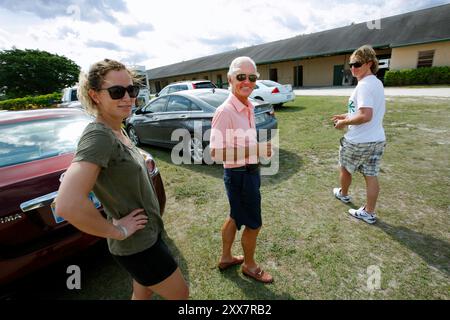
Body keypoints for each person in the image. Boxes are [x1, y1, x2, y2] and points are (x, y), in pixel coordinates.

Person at [55, 59, 189, 300]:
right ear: (95, 96)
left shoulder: (119, 129)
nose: (127, 97)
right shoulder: (98, 135)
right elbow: (67, 203)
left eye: (132, 90)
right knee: (181, 295)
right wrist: (117, 230)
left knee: (142, 294)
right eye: (117, 92)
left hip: (149, 234)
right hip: (138, 247)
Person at [210, 56, 273, 283]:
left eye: (252, 77)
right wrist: (255, 149)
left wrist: (257, 152)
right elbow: (215, 153)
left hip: (248, 172)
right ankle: (250, 265)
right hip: (240, 175)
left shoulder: (248, 105)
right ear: (230, 78)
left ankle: (226, 257)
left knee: (235, 217)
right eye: (241, 76)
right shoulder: (225, 111)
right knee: (254, 224)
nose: (247, 81)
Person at [332, 45, 386, 224]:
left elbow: (365, 115)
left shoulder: (363, 85)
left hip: (358, 141)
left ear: (369, 63)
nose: (353, 68)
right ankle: (369, 212)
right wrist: (346, 115)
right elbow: (363, 111)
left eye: (357, 64)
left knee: (345, 168)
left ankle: (344, 194)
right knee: (370, 175)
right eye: (351, 65)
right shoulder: (376, 82)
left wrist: (343, 123)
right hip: (376, 139)